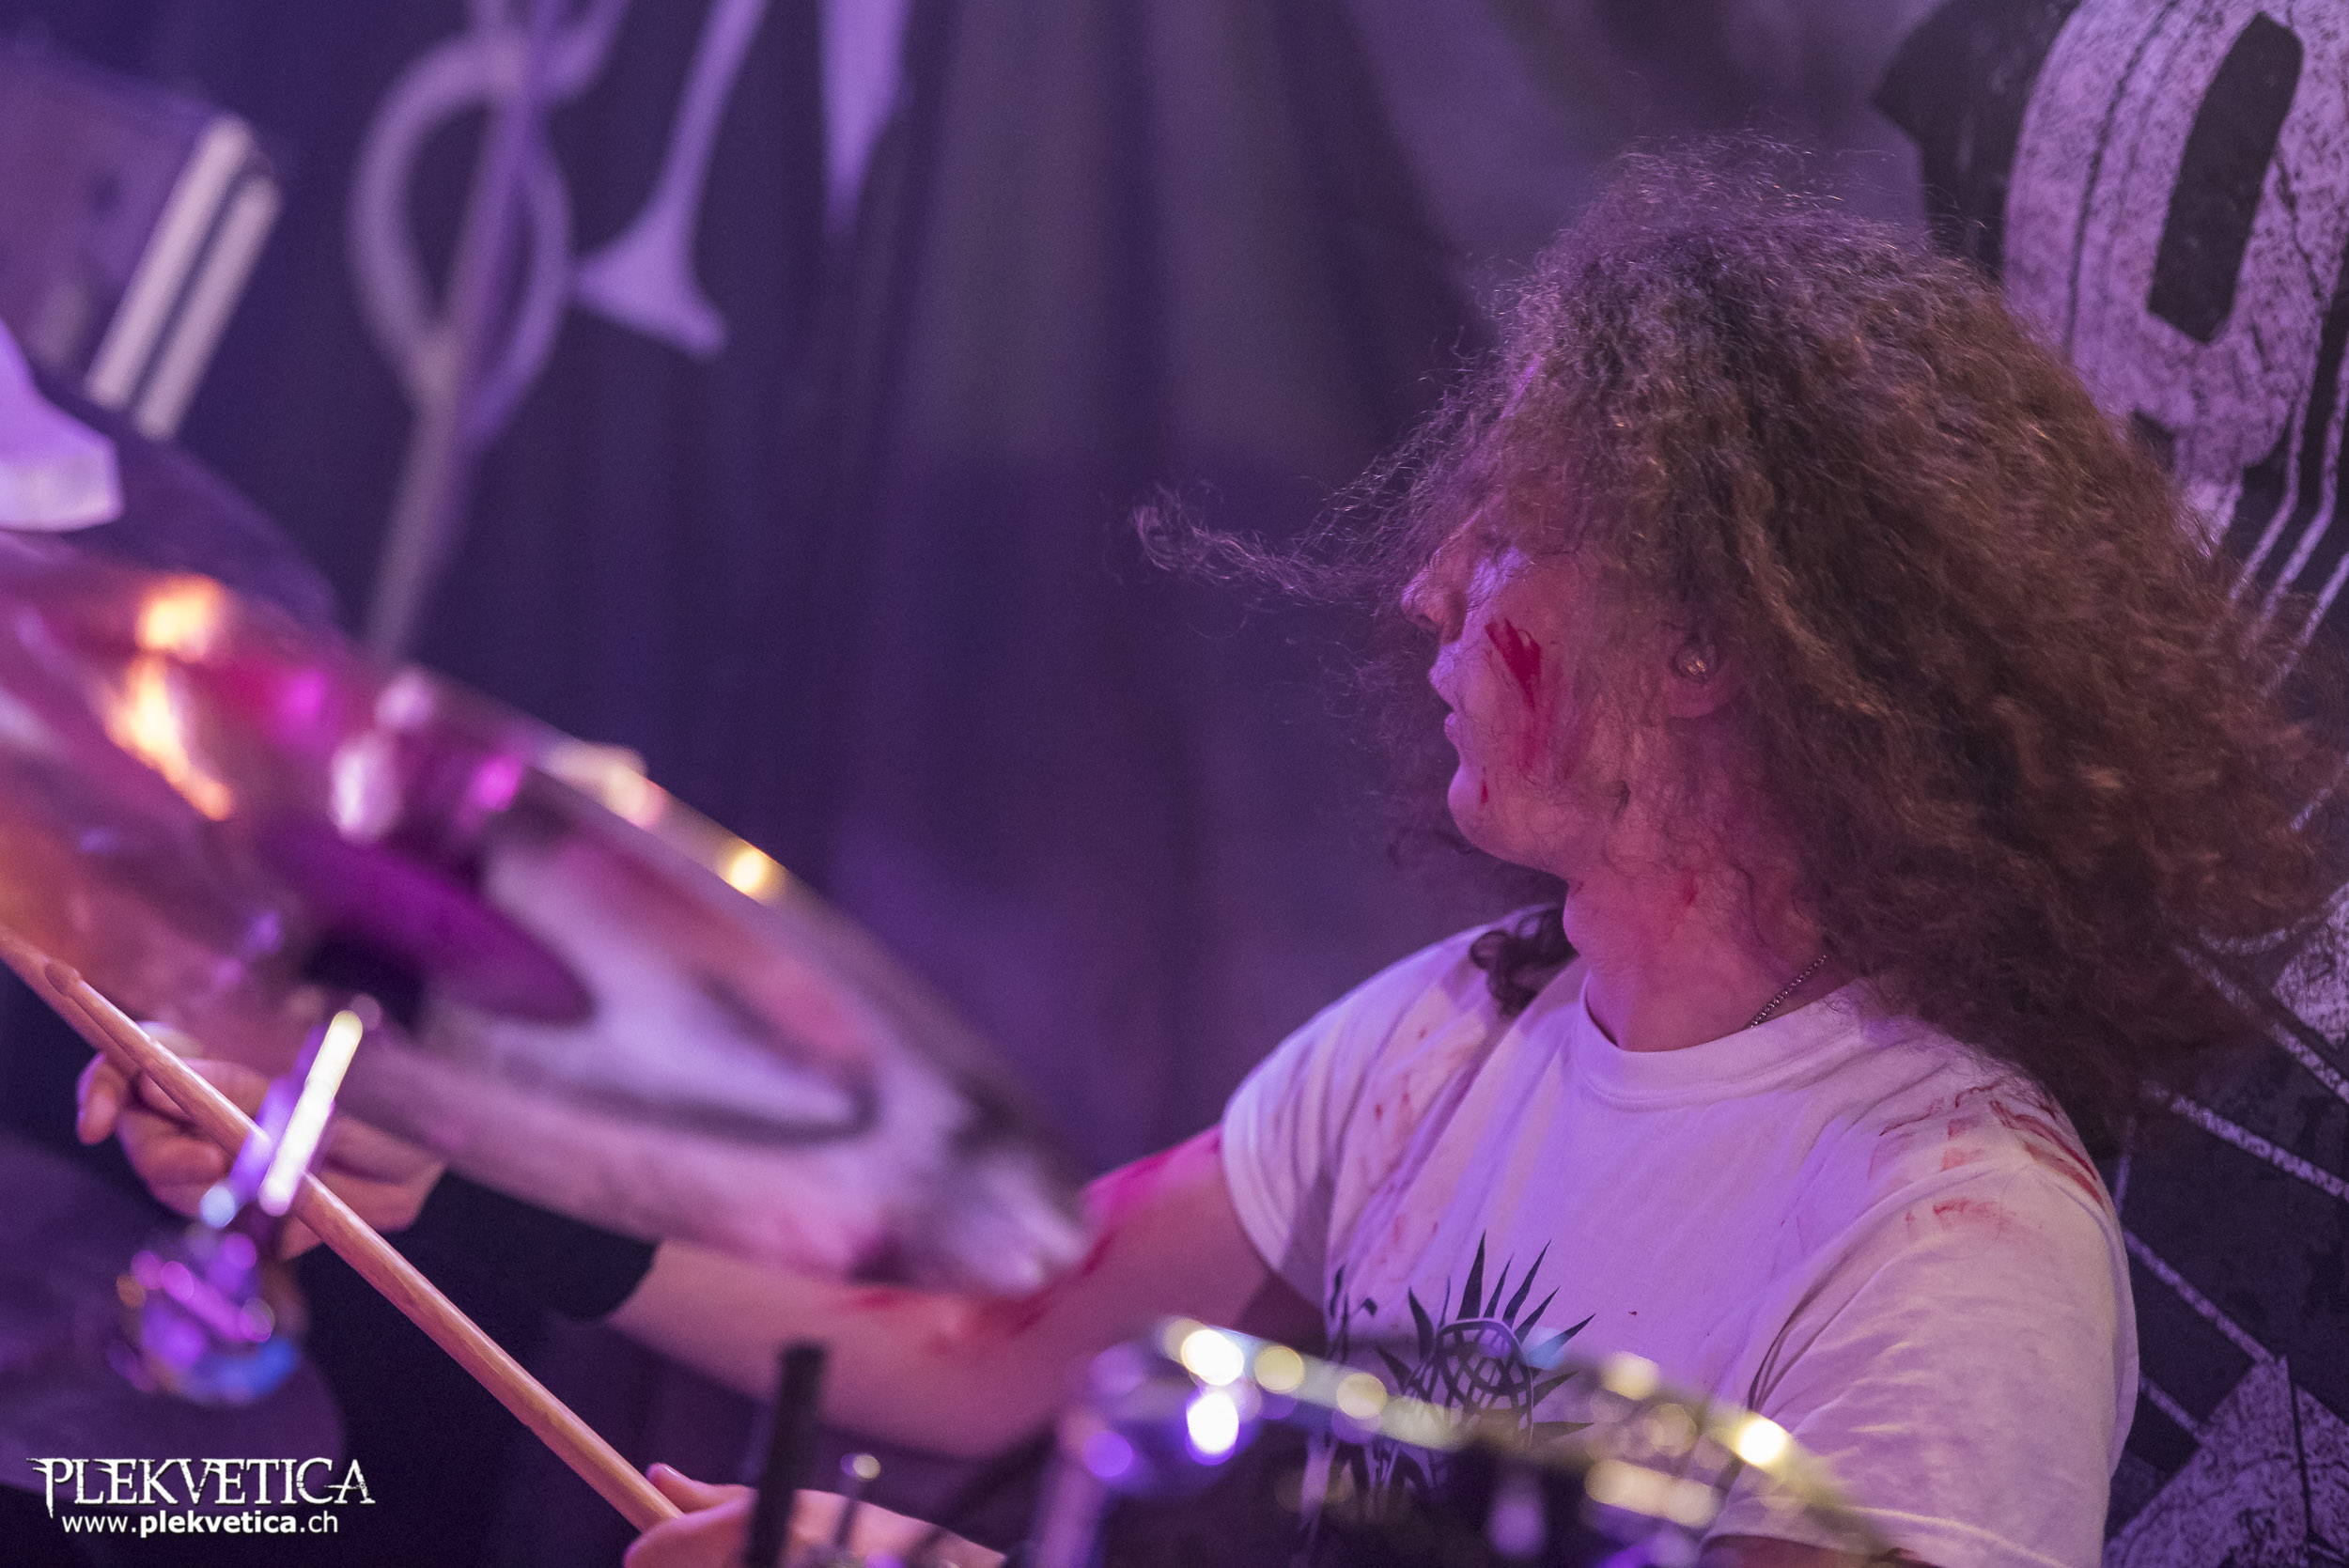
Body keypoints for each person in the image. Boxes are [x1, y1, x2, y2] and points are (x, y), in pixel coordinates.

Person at [79, 155, 2347, 1568]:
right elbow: (987, 1338)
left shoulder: (1949, 1237)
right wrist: (450, 1177)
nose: (1426, 585)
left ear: (1710, 646)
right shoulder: (1466, 1031)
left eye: (1516, 531)